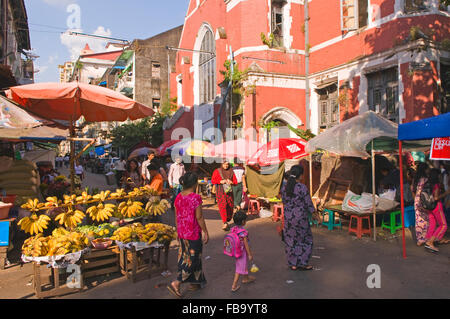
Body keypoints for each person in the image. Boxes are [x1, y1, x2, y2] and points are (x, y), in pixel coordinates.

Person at [167, 172, 209, 298]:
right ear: (195, 183)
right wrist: (206, 231)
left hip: (182, 233)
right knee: (193, 259)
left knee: (187, 257)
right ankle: (177, 282)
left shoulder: (178, 197)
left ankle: (194, 283)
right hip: (193, 234)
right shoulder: (195, 198)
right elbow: (199, 217)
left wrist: (177, 231)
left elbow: (176, 216)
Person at [281, 165, 317, 271]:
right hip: (300, 218)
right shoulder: (302, 187)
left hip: (288, 218)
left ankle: (293, 263)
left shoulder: (284, 188)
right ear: (301, 175)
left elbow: (284, 202)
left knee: (291, 240)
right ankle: (303, 263)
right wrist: (315, 214)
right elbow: (308, 203)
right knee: (305, 240)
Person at [424, 168, 450, 252]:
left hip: (428, 207)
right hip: (436, 206)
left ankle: (429, 239)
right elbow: (436, 198)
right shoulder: (436, 185)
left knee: (433, 223)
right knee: (443, 225)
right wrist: (446, 193)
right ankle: (430, 242)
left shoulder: (427, 183)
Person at [230, 210, 255, 292]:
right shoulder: (243, 232)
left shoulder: (234, 229)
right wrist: (250, 254)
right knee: (239, 269)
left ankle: (246, 278)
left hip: (236, 251)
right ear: (243, 221)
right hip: (242, 252)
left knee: (242, 265)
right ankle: (234, 285)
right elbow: (246, 245)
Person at [212, 160, 237, 230]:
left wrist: (231, 182)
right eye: (224, 164)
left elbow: (235, 182)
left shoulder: (231, 171)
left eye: (227, 164)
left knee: (230, 205)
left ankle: (228, 219)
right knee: (222, 205)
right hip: (220, 191)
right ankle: (224, 222)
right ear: (221, 164)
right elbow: (213, 180)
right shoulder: (217, 171)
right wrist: (220, 181)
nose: (226, 166)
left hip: (229, 192)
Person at [412, 162, 431, 247]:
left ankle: (420, 240)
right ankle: (426, 238)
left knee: (418, 220)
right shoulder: (426, 179)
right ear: (425, 169)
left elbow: (412, 189)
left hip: (417, 200)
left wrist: (416, 199)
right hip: (424, 201)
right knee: (426, 220)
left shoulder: (415, 179)